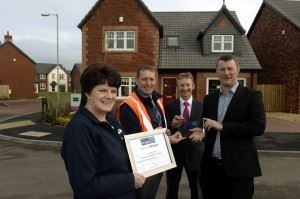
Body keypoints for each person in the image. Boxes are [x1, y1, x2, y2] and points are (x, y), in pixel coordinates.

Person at [61, 63, 145, 199]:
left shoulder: (110, 118)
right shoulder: (80, 129)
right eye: (103, 90)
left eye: (113, 91)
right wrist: (130, 181)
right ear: (87, 92)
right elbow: (85, 187)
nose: (110, 96)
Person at [200, 55, 266, 199]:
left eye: (230, 68)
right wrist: (198, 130)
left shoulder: (252, 96)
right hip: (211, 168)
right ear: (217, 72)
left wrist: (223, 127)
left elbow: (258, 126)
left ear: (238, 70)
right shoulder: (209, 99)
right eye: (222, 69)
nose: (226, 73)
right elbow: (204, 124)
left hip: (239, 169)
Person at [119, 65, 184, 199]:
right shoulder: (128, 106)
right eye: (144, 79)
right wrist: (167, 141)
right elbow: (135, 142)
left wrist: (172, 125)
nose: (148, 83)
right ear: (137, 80)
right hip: (141, 166)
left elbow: (158, 127)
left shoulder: (156, 100)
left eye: (151, 79)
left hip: (157, 161)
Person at [165, 72, 204, 199]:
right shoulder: (169, 106)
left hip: (195, 153)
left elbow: (206, 128)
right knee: (172, 187)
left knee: (197, 188)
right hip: (175, 153)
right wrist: (172, 125)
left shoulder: (202, 106)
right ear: (177, 87)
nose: (185, 88)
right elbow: (166, 129)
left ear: (193, 86)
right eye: (182, 85)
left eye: (188, 85)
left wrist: (203, 133)